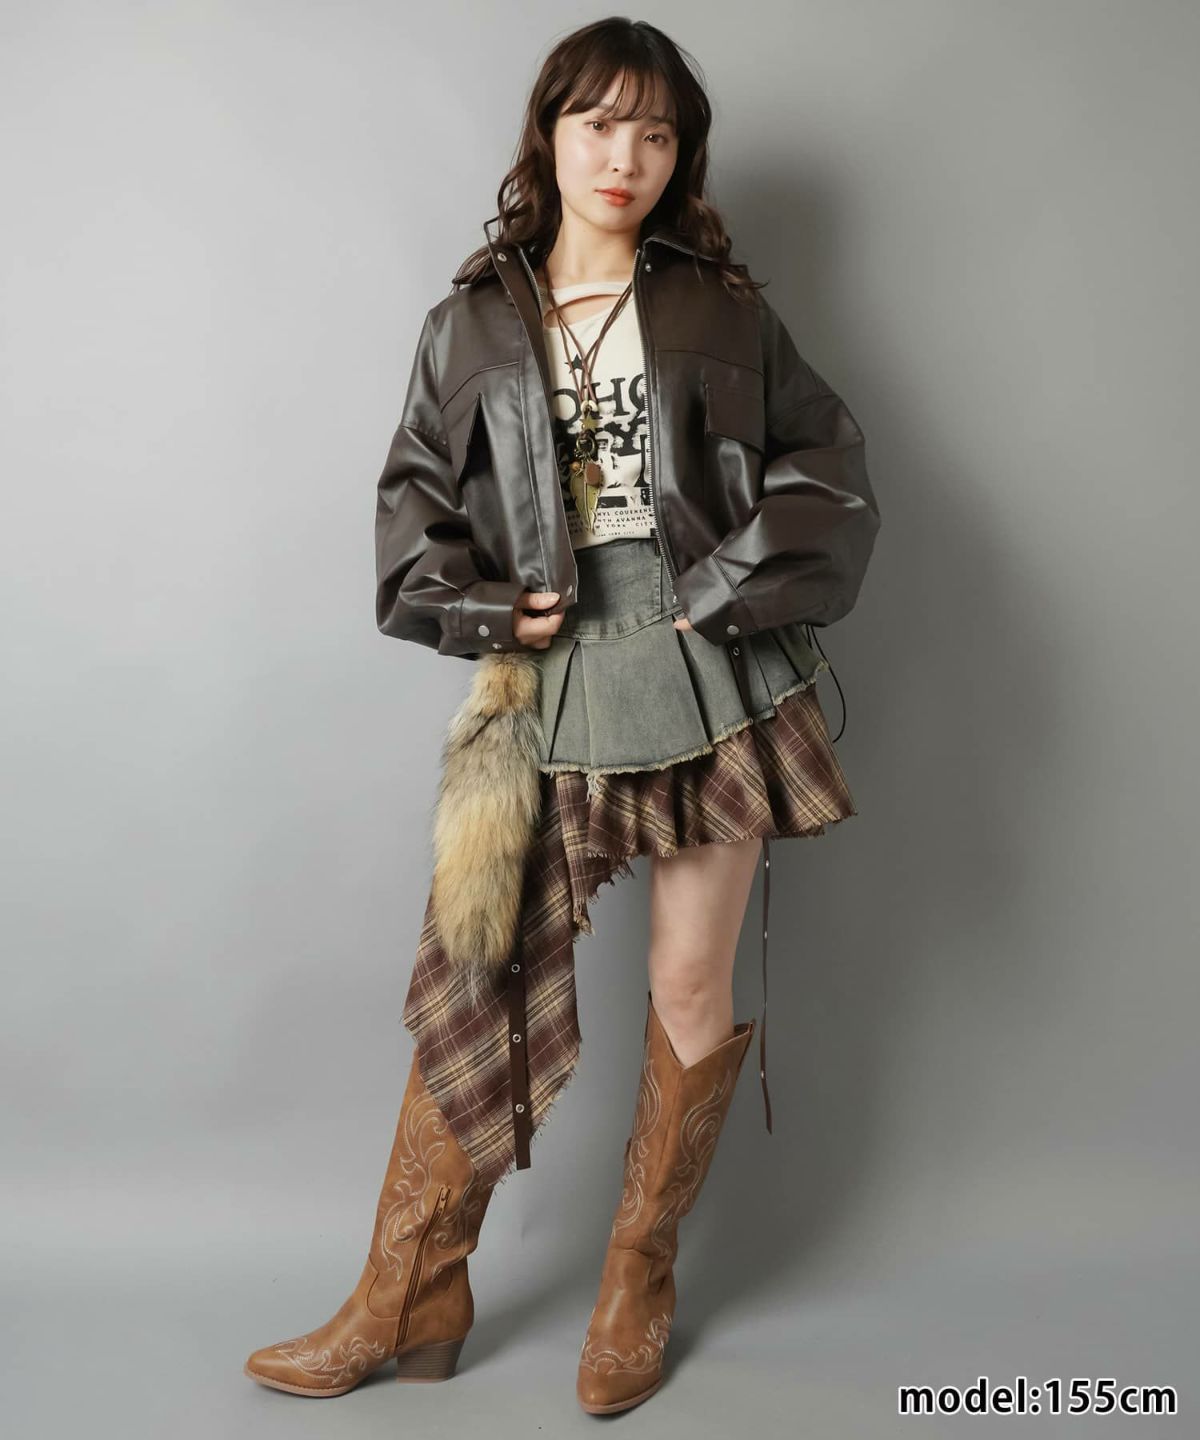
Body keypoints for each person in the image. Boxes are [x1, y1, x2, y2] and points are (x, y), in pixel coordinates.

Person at [244, 16, 880, 1416]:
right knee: (477, 963)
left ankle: (637, 1280)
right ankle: (406, 1293)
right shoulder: (472, 323)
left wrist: (727, 588)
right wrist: (486, 610)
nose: (625, 157)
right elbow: (410, 520)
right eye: (599, 124)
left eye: (656, 133)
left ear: (680, 154)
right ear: (549, 133)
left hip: (708, 664)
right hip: (547, 672)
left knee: (689, 981)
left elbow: (831, 470)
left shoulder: (723, 309)